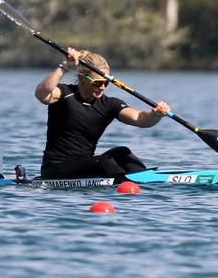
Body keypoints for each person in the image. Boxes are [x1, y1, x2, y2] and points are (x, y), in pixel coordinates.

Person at [35, 47, 170, 180]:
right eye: (98, 82)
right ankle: (125, 182)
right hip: (55, 170)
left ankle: (148, 180)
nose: (103, 87)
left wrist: (156, 114)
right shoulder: (65, 93)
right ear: (82, 79)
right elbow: (42, 94)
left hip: (85, 166)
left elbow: (140, 118)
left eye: (106, 82)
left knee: (122, 152)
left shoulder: (109, 104)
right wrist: (64, 67)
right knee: (104, 161)